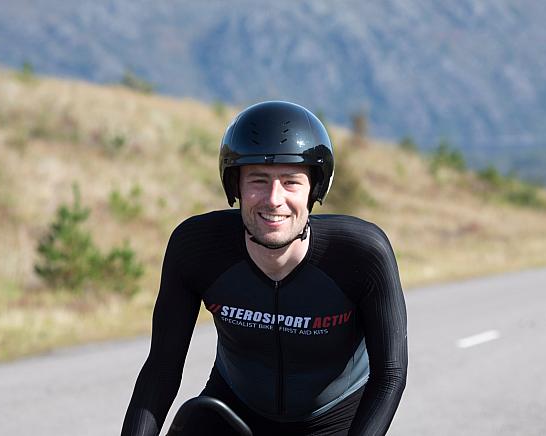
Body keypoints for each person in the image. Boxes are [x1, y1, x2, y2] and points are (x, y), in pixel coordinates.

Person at [121, 101, 407, 436]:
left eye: (291, 182)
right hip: (231, 411)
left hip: (333, 422)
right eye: (258, 180)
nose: (273, 199)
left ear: (314, 189)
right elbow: (162, 367)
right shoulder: (197, 248)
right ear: (236, 187)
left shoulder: (361, 254)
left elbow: (390, 374)